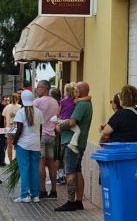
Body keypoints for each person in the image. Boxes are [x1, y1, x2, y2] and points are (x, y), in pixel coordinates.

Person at [54, 82, 93, 212]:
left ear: (80, 91)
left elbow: (72, 122)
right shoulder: (86, 103)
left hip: (72, 143)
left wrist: (59, 127)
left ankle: (71, 202)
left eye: (76, 88)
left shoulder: (82, 105)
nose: (73, 90)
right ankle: (78, 201)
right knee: (77, 171)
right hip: (78, 143)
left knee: (70, 172)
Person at [12, 90, 43, 203]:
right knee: (34, 170)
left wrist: (14, 142)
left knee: (24, 170)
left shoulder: (21, 112)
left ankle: (24, 195)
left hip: (23, 144)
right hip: (35, 144)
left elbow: (19, 130)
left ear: (23, 99)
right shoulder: (39, 112)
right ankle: (35, 195)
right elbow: (40, 130)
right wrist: (37, 142)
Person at [34, 80, 60, 200]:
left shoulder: (37, 102)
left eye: (38, 87)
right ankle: (54, 190)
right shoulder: (55, 102)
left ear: (44, 88)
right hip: (52, 135)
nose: (36, 89)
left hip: (42, 135)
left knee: (41, 162)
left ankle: (42, 190)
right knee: (52, 164)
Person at [2, 93, 21, 163]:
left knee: (9, 146)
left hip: (9, 128)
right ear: (18, 99)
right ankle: (16, 161)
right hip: (18, 129)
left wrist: (5, 128)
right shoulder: (20, 107)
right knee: (18, 146)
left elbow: (4, 120)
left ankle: (10, 161)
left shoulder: (7, 107)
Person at [0, 96, 10, 166]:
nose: (7, 102)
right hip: (1, 129)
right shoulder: (1, 108)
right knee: (3, 145)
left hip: (6, 129)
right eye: (5, 100)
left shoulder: (8, 108)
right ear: (2, 101)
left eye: (8, 100)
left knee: (3, 145)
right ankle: (1, 162)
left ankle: (1, 160)